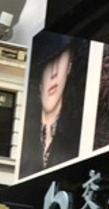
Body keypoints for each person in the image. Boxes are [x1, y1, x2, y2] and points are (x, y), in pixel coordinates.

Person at [19, 31, 86, 176]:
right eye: (49, 62)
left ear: (70, 64)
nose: (54, 72)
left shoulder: (77, 138)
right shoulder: (26, 139)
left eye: (60, 58)